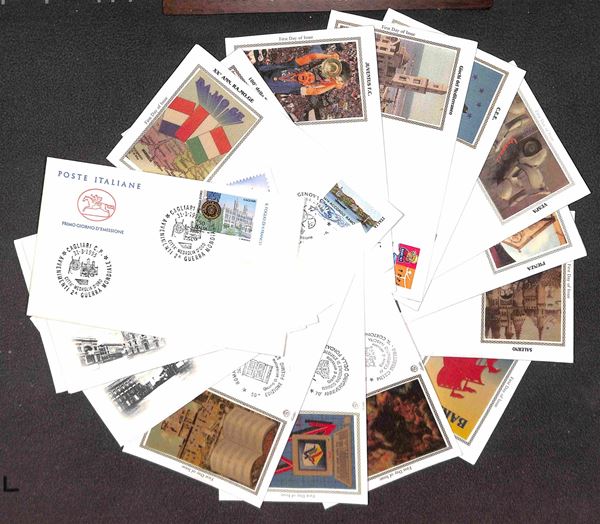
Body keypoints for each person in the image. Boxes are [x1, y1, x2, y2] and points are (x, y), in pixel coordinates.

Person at [253, 46, 352, 96]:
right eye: (309, 75)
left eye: (309, 80)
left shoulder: (298, 88)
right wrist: (329, 56)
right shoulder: (294, 66)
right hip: (255, 72)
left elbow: (316, 91)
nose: (308, 77)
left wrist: (333, 84)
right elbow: (311, 57)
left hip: (256, 89)